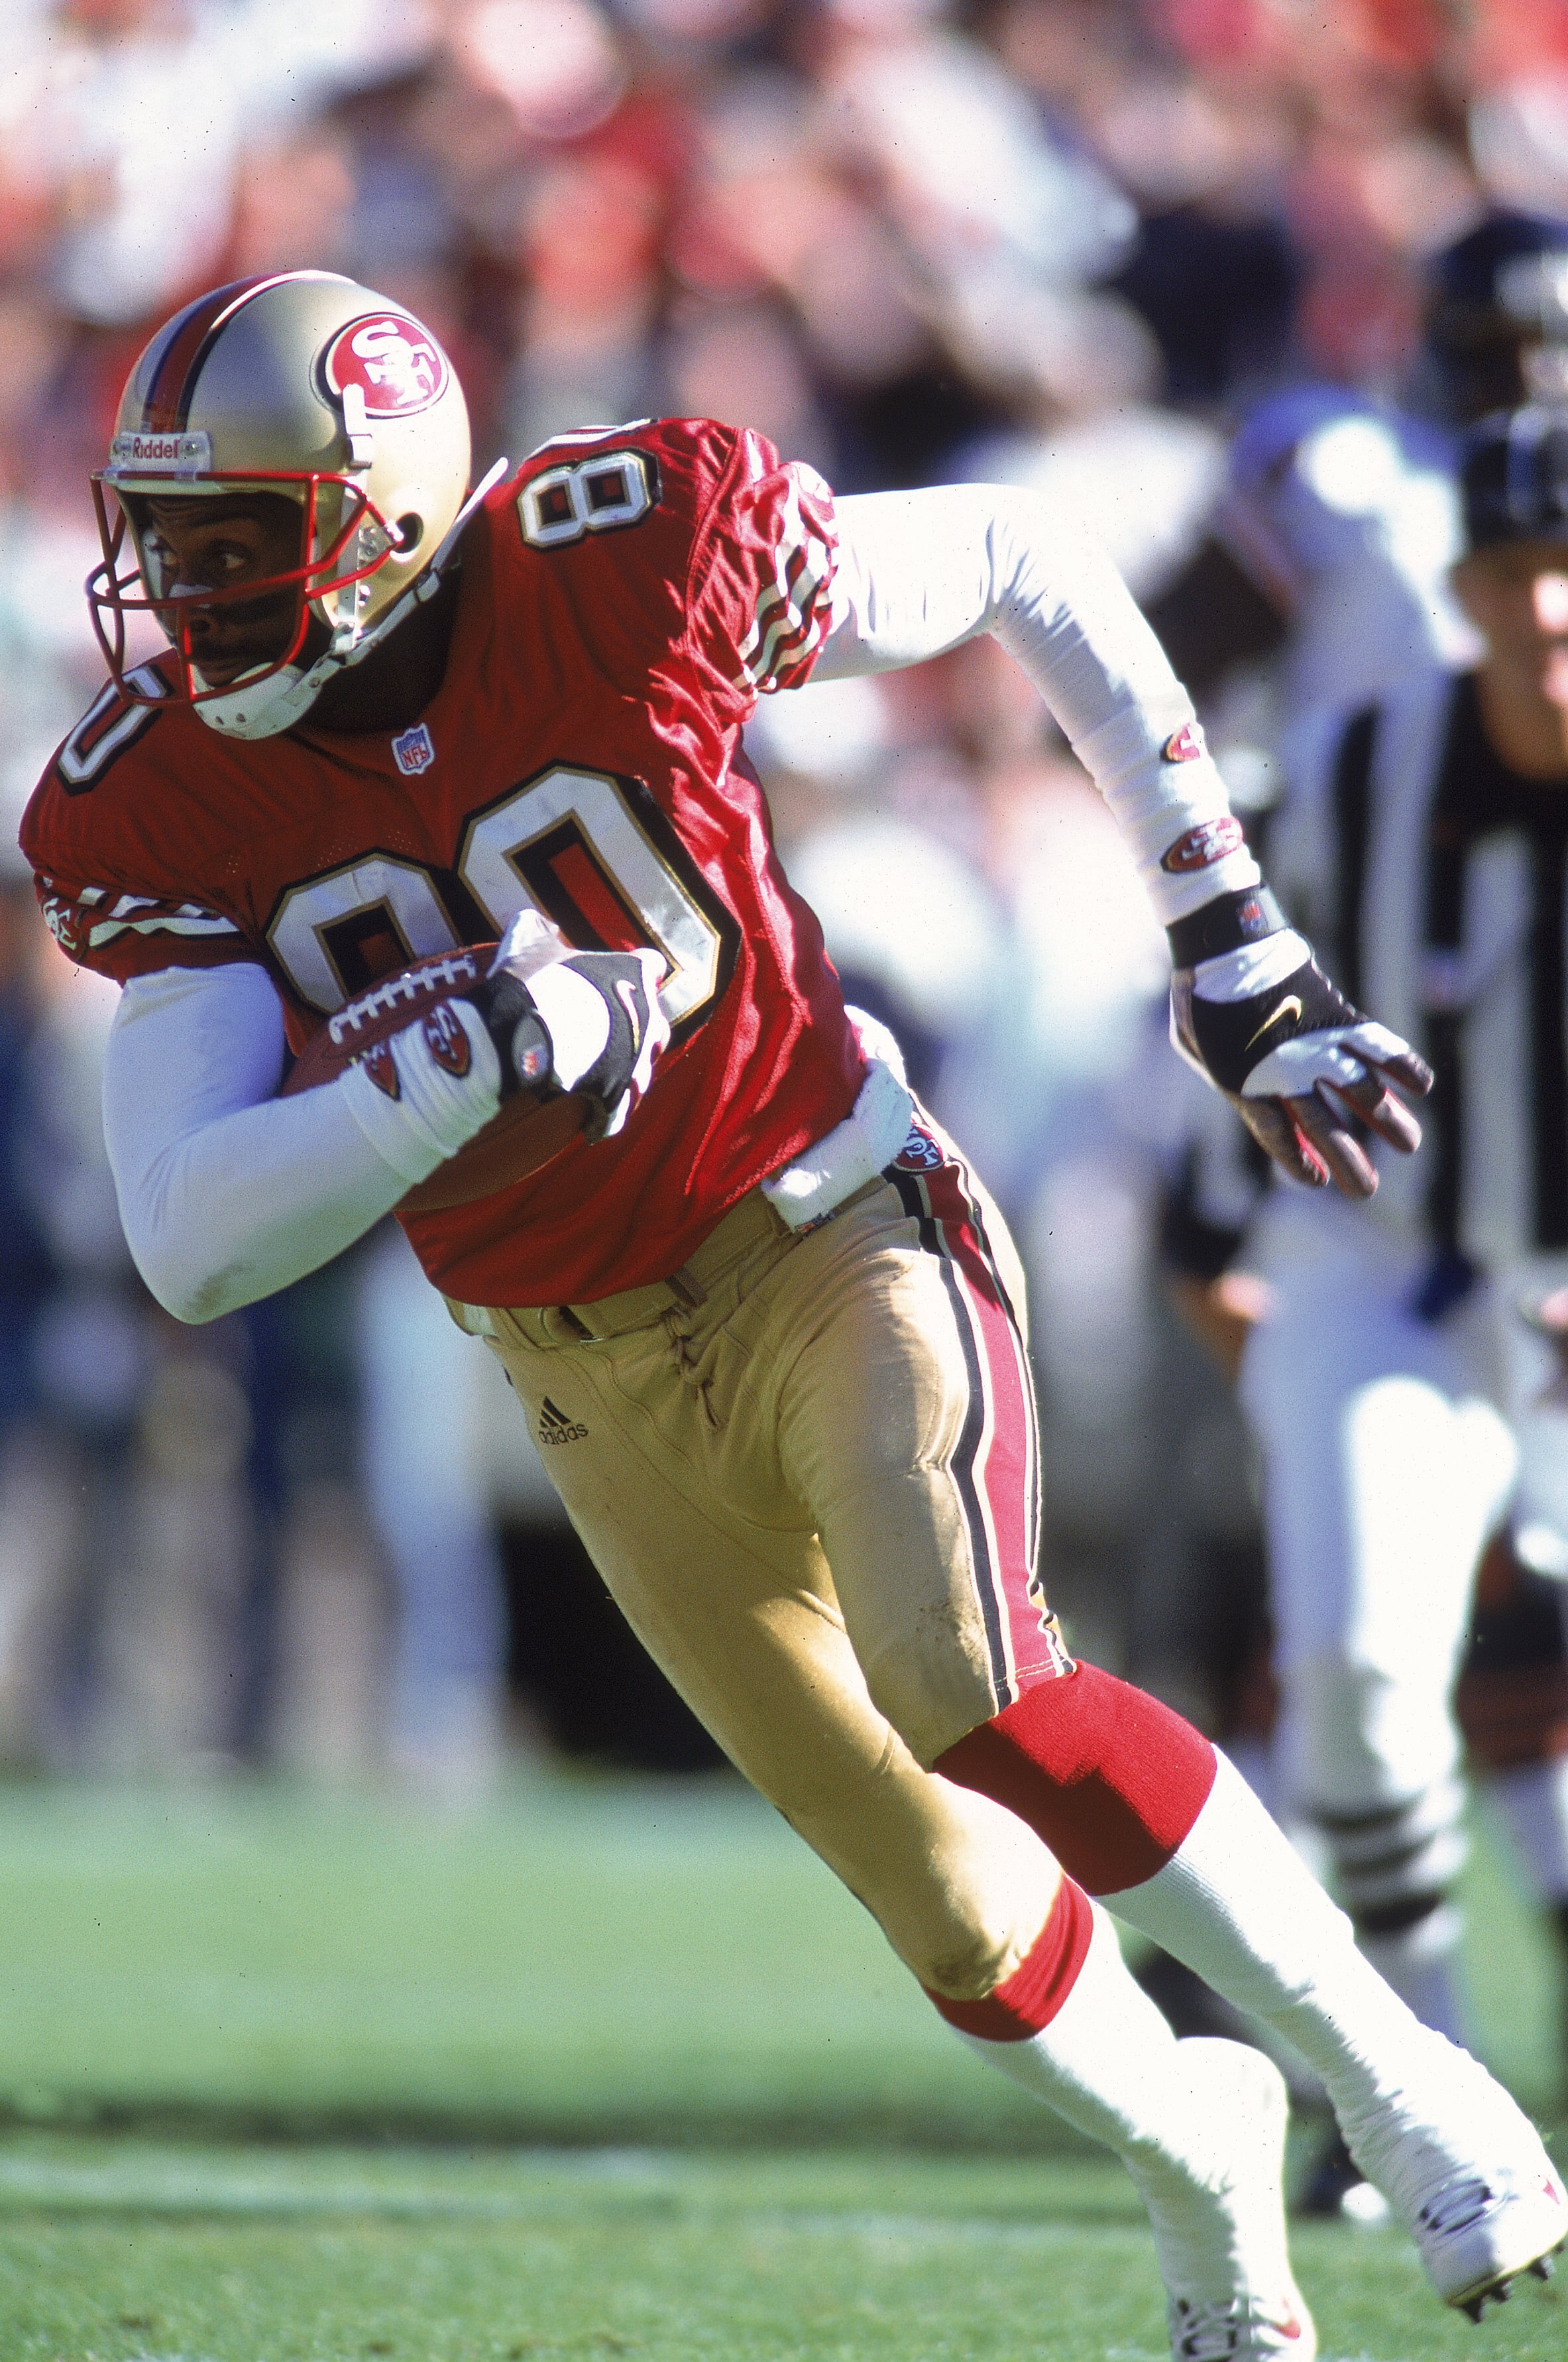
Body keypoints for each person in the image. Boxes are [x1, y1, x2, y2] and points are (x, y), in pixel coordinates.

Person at [19, 270, 1565, 2359]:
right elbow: (191, 1235)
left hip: (828, 1218)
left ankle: (1407, 2079)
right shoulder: (156, 799)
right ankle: (1200, 2156)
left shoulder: (628, 555)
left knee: (973, 1679)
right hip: (577, 1364)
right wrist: (458, 1058)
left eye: (232, 544)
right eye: (163, 541)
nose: (182, 598)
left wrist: (1231, 942)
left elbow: (1023, 555)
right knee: (948, 1902)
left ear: (382, 518)